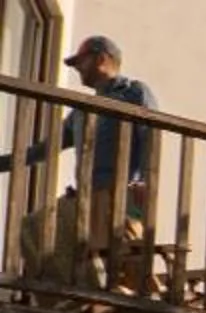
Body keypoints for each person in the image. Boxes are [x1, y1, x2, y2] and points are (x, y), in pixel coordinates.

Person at [12, 36, 160, 294]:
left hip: (121, 193)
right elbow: (41, 151)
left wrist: (141, 187)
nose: (77, 68)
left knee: (125, 265)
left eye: (81, 61)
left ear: (102, 58)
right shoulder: (81, 112)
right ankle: (70, 300)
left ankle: (142, 303)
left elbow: (151, 139)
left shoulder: (135, 92)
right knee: (32, 228)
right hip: (84, 198)